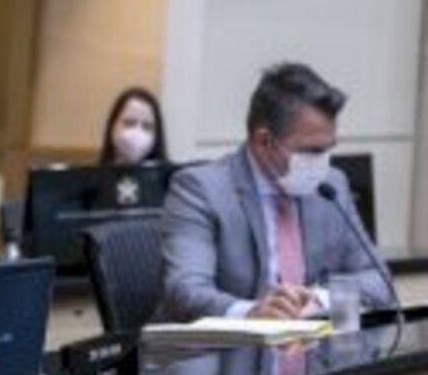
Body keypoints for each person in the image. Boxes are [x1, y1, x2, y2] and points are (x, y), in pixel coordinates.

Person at [156, 62, 392, 322]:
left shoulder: (332, 187)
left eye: (328, 149)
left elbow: (379, 282)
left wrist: (320, 299)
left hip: (309, 353)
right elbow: (184, 292)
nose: (322, 163)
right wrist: (251, 312)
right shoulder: (200, 189)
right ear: (263, 141)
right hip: (219, 355)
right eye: (311, 151)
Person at [98, 87, 168, 166]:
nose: (137, 133)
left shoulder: (171, 177)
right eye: (129, 123)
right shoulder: (91, 176)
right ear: (112, 126)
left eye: (146, 127)